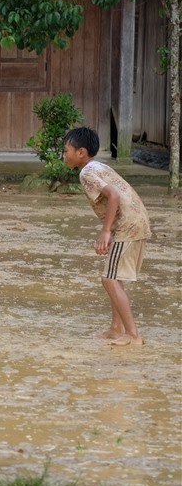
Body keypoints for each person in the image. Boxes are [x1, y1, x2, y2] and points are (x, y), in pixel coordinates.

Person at [63, 127, 151, 346]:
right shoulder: (98, 166)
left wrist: (105, 231)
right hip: (135, 220)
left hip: (127, 225)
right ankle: (116, 328)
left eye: (66, 151)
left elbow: (112, 196)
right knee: (115, 275)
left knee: (109, 278)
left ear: (81, 152)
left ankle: (132, 335)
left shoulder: (86, 173)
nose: (63, 155)